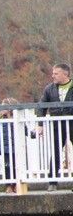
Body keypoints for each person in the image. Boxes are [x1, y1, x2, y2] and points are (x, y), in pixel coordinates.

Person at [36, 63, 73, 191]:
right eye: (53, 73)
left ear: (65, 74)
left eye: (56, 73)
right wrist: (40, 124)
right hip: (57, 124)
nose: (53, 76)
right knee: (55, 151)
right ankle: (52, 182)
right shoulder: (49, 89)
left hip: (72, 122)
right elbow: (41, 106)